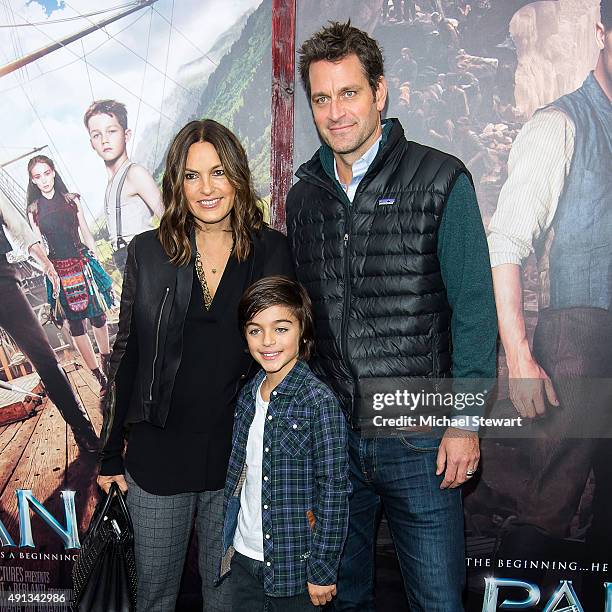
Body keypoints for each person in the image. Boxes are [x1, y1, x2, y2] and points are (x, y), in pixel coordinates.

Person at [286, 22, 497, 611]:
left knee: (437, 600)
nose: (336, 112)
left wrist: (464, 423)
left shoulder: (440, 178)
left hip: (421, 437)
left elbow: (475, 310)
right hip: (333, 442)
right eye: (322, 98)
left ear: (379, 93)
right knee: (341, 601)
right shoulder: (303, 197)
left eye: (348, 93)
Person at [98, 119, 294, 612]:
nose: (206, 189)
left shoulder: (271, 250)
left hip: (238, 460)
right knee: (156, 598)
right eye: (191, 175)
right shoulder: (148, 252)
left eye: (219, 172)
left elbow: (291, 355)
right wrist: (109, 454)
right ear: (175, 183)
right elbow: (128, 352)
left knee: (227, 599)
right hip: (159, 456)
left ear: (238, 178)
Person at [487, 0, 612, 593]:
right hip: (578, 340)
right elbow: (507, 241)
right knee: (553, 500)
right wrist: (518, 357)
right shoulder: (560, 124)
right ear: (600, 34)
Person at [219, 276, 350, 611]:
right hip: (243, 558)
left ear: (302, 330)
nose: (267, 341)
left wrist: (322, 570)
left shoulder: (317, 401)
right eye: (255, 330)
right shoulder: (249, 395)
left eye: (280, 328)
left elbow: (334, 490)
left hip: (295, 565)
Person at [0, 191, 98, 452]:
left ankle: (81, 427)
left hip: (1, 281)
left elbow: (17, 226)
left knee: (43, 357)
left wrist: (45, 263)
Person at [27, 155, 113, 390]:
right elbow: (37, 246)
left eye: (46, 173)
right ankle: (98, 376)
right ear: (33, 181)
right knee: (75, 325)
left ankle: (107, 361)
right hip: (58, 270)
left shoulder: (71, 200)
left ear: (53, 172)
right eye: (37, 176)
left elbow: (85, 231)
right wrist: (49, 269)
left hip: (82, 261)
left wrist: (95, 257)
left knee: (99, 316)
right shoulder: (33, 211)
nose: (43, 180)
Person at [84, 99, 164, 272]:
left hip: (144, 254)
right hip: (123, 257)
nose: (105, 140)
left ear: (126, 135)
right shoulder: (111, 184)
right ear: (91, 143)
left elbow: (168, 216)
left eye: (111, 131)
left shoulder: (134, 173)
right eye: (97, 135)